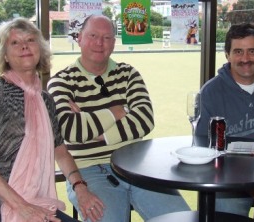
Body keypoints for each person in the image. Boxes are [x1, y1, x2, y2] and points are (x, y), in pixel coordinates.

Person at [47, 15, 190, 222]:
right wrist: (115, 112)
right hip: (89, 171)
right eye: (93, 35)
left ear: (114, 42)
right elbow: (70, 130)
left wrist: (97, 133)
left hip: (137, 166)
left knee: (183, 219)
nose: (99, 43)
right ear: (79, 38)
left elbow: (145, 120)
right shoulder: (61, 81)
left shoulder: (129, 74)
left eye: (107, 37)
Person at [0, 18, 104, 222]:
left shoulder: (45, 100)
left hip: (36, 201)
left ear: (41, 49)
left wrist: (81, 188)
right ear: (5, 55)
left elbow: (60, 151)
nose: (24, 46)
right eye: (14, 42)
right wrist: (22, 207)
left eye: (30, 40)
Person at [195, 23, 254, 217]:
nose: (245, 59)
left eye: (252, 51)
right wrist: (251, 186)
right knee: (224, 216)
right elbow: (202, 145)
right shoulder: (210, 92)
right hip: (229, 183)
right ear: (227, 55)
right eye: (238, 52)